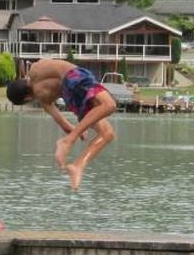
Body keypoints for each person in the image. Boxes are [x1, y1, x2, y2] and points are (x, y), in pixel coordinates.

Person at [6, 59, 117, 190]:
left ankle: (78, 165)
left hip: (70, 97)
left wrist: (78, 131)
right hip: (74, 77)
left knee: (107, 132)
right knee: (109, 107)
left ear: (26, 99)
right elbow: (61, 66)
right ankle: (70, 145)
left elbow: (65, 126)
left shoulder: (44, 100)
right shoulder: (36, 67)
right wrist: (75, 134)